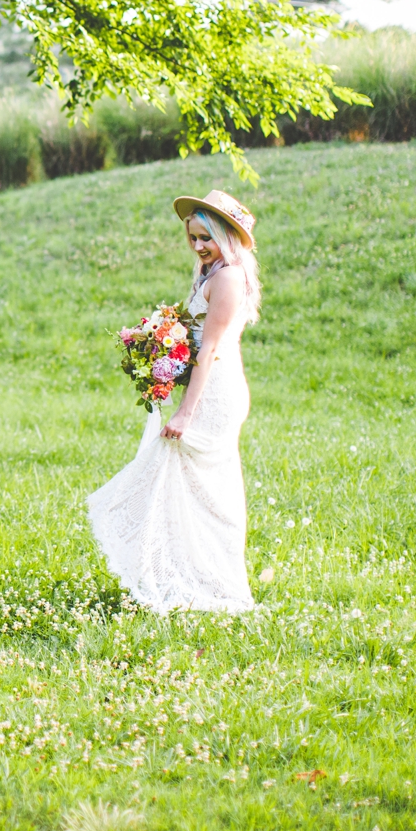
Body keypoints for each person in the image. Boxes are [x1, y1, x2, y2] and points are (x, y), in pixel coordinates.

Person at [87, 190, 261, 613]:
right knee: (184, 485)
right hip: (202, 385)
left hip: (214, 391)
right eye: (193, 238)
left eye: (207, 237)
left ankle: (213, 583)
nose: (199, 246)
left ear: (227, 236)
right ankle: (182, 573)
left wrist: (185, 411)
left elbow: (210, 349)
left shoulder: (228, 277)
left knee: (204, 490)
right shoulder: (210, 272)